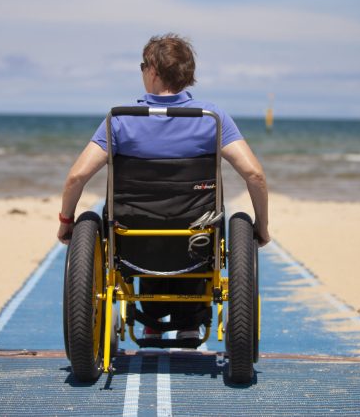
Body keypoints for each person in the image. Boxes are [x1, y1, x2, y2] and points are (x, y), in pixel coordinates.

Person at [58, 33, 270, 340]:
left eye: (143, 66)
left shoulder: (121, 119)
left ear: (154, 71)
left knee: (144, 223)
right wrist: (261, 226)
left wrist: (67, 221)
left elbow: (76, 177)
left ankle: (152, 322)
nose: (142, 72)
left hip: (133, 244)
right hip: (195, 242)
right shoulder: (211, 118)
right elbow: (255, 176)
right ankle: (188, 324)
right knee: (196, 227)